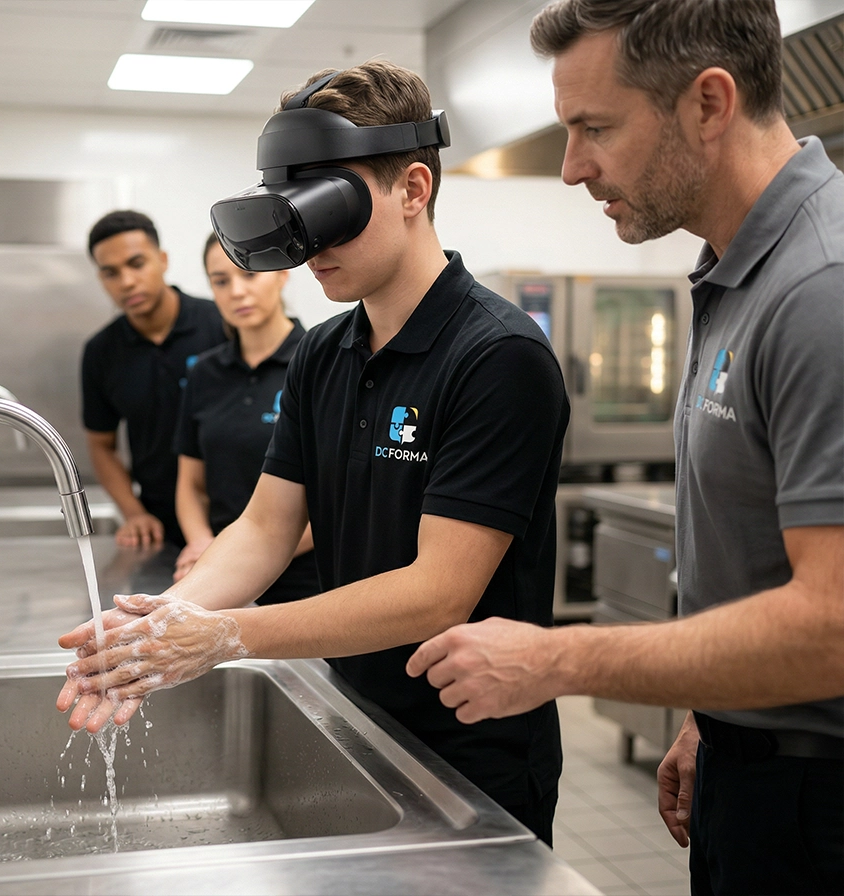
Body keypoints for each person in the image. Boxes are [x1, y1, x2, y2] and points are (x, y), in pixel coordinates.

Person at [58, 60, 571, 845]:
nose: (309, 249)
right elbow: (266, 529)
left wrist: (227, 636)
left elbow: (438, 592)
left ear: (413, 189)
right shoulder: (323, 354)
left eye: (331, 212)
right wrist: (166, 621)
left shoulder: (497, 357)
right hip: (357, 719)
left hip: (473, 752)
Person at [403, 2, 844, 894]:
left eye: (595, 127)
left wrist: (558, 658)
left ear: (709, 103)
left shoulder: (821, 289)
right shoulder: (736, 271)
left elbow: (833, 624)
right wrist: (712, 716)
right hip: (753, 763)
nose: (572, 167)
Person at [172, 234, 318, 603]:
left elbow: (338, 498)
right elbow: (191, 484)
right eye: (221, 281)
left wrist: (232, 560)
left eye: (249, 274)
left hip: (304, 584)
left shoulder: (320, 364)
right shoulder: (204, 373)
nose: (236, 291)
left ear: (282, 273)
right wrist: (202, 544)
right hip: (221, 578)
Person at [81, 210, 227, 548]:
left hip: (235, 515)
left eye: (137, 264)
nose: (126, 282)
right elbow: (101, 445)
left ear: (162, 260)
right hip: (160, 526)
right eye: (111, 273)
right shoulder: (101, 352)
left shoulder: (221, 324)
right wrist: (133, 513)